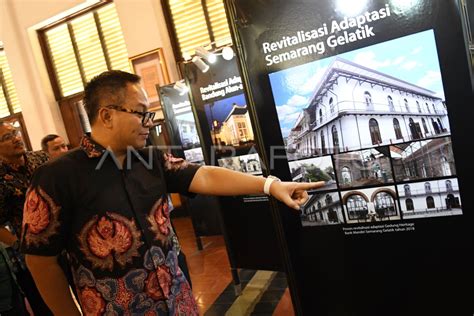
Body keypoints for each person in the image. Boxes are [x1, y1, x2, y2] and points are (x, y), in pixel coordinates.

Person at [20, 70, 324, 315]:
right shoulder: (56, 176)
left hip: (178, 302)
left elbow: (203, 175)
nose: (149, 124)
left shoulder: (151, 158)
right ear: (107, 115)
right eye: (140, 113)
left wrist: (270, 185)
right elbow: (40, 260)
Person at [0, 122, 53, 315]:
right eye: (7, 137)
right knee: (44, 306)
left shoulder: (41, 159)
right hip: (31, 254)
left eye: (15, 132)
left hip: (61, 242)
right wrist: (19, 245)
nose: (15, 138)